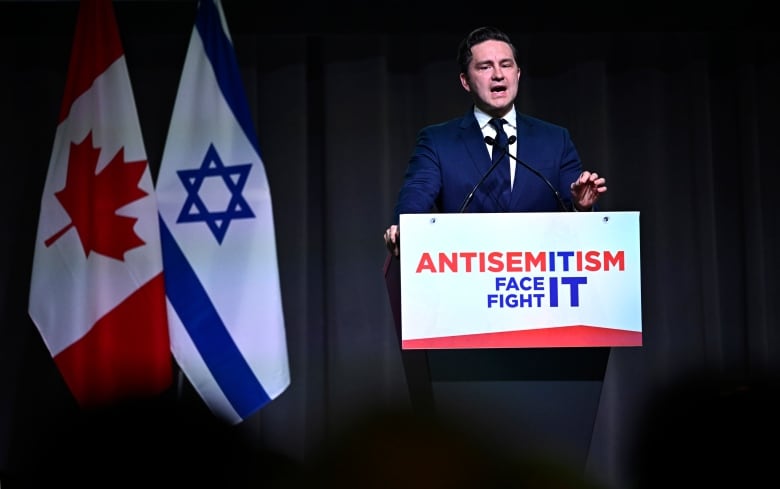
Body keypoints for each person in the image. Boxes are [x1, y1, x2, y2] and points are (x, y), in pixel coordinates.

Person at [383, 26, 607, 256]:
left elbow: (580, 217)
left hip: (539, 279)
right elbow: (416, 194)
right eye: (485, 67)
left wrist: (582, 206)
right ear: (465, 81)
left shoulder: (555, 139)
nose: (498, 74)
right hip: (465, 275)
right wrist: (405, 229)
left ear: (518, 74)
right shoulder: (438, 141)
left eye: (506, 65)